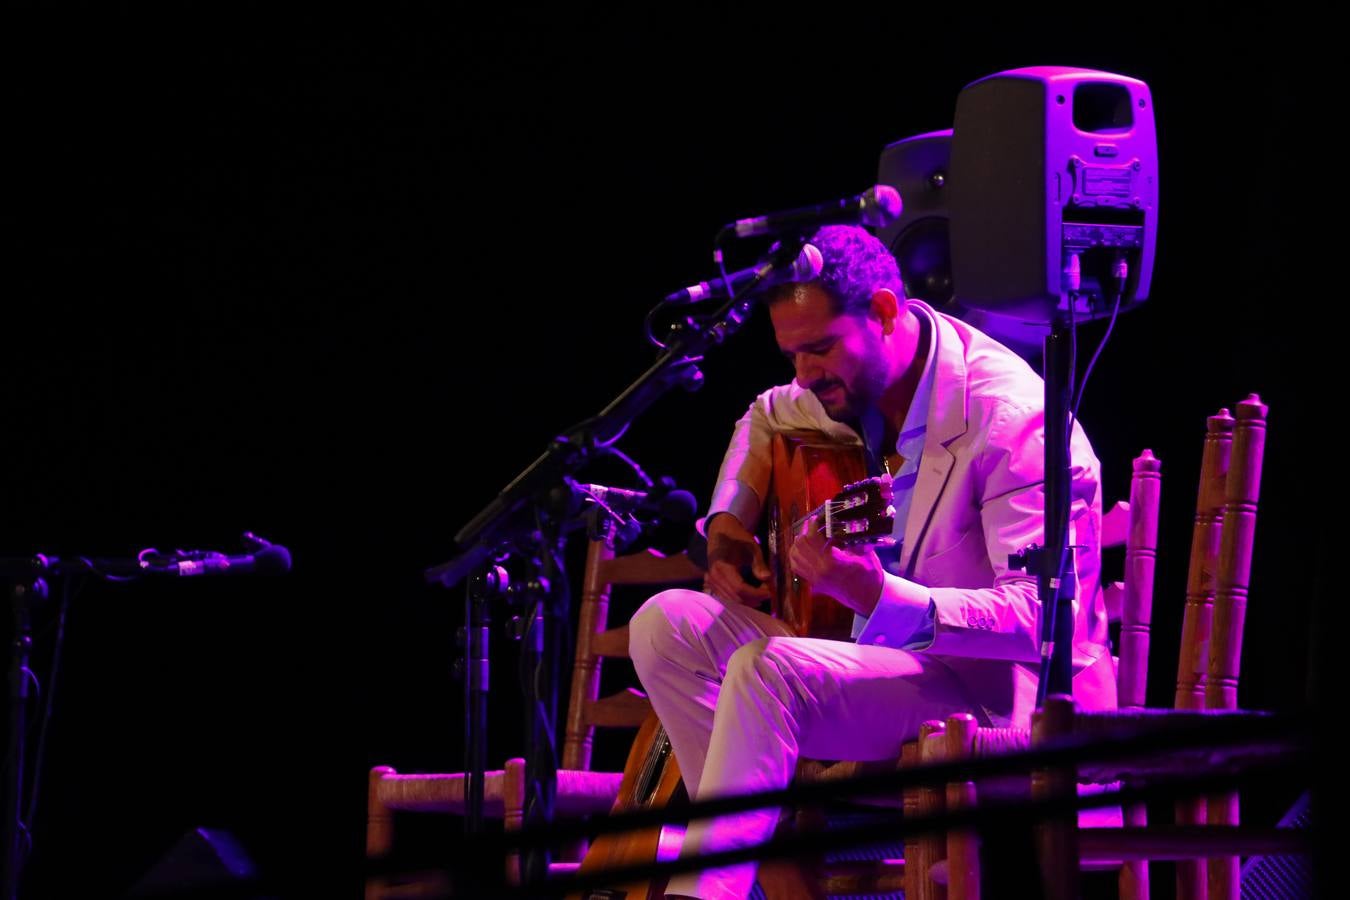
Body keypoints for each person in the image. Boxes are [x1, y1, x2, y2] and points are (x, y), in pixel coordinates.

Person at [628, 225, 1116, 900]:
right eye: (792, 354)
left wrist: (881, 598)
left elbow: (1039, 617)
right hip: (902, 679)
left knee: (768, 669)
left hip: (1001, 699)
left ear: (885, 313)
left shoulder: (1012, 418)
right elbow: (761, 417)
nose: (804, 374)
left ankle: (704, 893)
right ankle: (773, 879)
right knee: (666, 624)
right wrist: (727, 528)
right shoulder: (841, 385)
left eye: (820, 348)